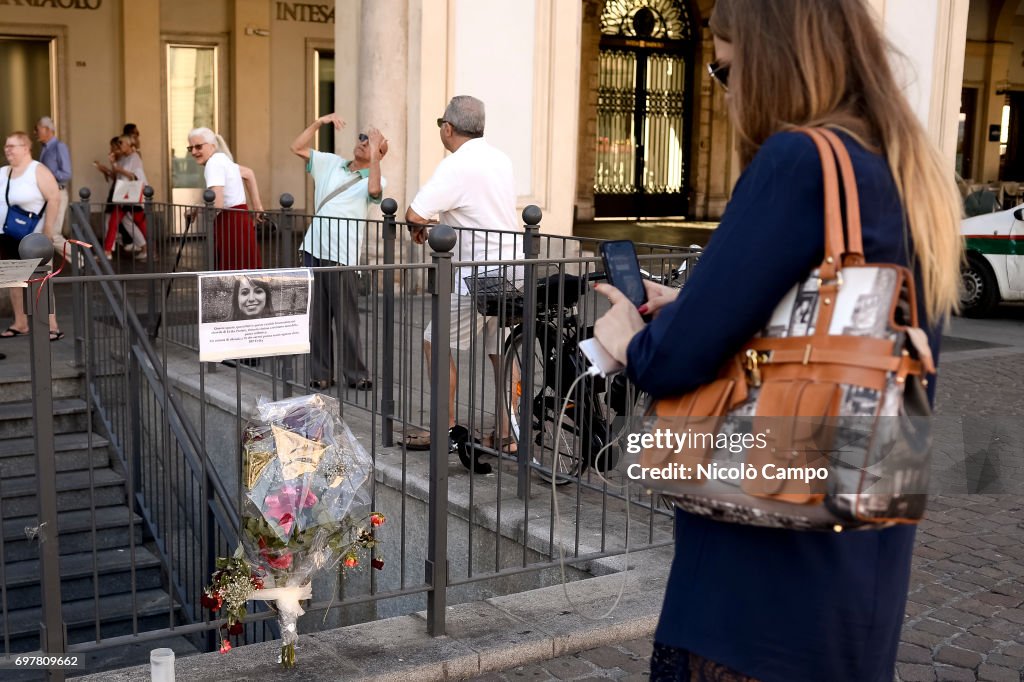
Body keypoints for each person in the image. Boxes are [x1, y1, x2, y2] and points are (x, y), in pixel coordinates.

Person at [592, 1, 963, 680]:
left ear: (770, 61)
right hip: (858, 571)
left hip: (757, 579)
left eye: (726, 69)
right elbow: (850, 324)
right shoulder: (909, 171)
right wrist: (699, 304)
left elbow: (673, 360)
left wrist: (628, 337)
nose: (725, 90)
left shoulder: (800, 158)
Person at [405, 95, 522, 471]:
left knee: (434, 339)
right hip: (514, 266)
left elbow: (414, 213)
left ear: (447, 128)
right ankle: (507, 434)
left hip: (480, 274)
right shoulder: (500, 158)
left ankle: (447, 428)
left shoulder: (456, 165)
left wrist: (421, 227)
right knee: (502, 350)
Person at [289, 114, 387, 391]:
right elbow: (296, 147)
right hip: (313, 248)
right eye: (362, 138)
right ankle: (321, 373)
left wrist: (376, 159)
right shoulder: (330, 163)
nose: (363, 143)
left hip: (342, 255)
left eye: (370, 142)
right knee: (317, 318)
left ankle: (356, 373)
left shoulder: (375, 178)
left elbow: (375, 190)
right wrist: (319, 123)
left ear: (379, 153)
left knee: (346, 319)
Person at [0, 131, 65, 343]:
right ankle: (20, 322)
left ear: (26, 148)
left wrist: (48, 230)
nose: (8, 149)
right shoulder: (4, 172)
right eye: (6, 146)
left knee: (41, 280)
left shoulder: (37, 170)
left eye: (13, 146)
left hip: (34, 238)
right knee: (14, 281)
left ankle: (51, 326)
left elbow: (54, 198)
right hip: (8, 235)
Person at [187, 127, 264, 270]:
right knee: (244, 270)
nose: (193, 152)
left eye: (198, 147)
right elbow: (249, 173)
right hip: (240, 218)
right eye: (190, 148)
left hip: (230, 221)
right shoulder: (221, 158)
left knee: (232, 272)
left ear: (212, 146)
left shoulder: (213, 164)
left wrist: (196, 208)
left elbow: (217, 204)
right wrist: (257, 207)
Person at [101, 135, 148, 259]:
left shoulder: (135, 157)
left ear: (128, 144)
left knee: (140, 222)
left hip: (131, 193)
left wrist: (118, 168)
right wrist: (112, 165)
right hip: (124, 194)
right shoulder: (124, 158)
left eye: (121, 143)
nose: (119, 145)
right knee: (114, 222)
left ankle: (147, 249)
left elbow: (135, 176)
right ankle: (107, 251)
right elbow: (117, 175)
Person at [34, 116, 71, 241]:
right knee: (45, 233)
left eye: (37, 129)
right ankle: (46, 261)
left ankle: (81, 261)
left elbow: (66, 173)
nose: (35, 132)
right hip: (46, 195)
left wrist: (49, 174)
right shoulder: (44, 148)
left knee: (53, 234)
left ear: (46, 129)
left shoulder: (59, 146)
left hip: (58, 193)